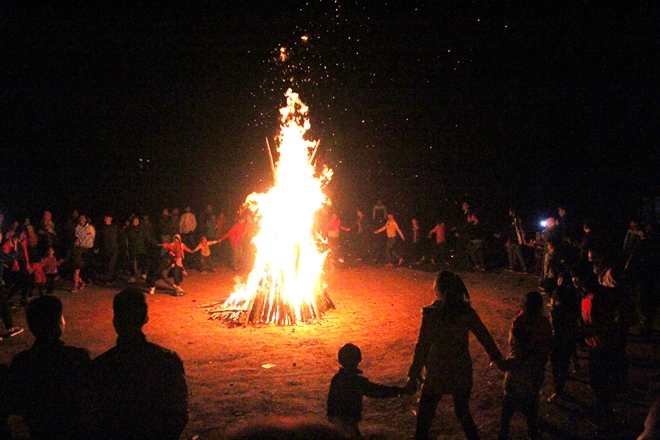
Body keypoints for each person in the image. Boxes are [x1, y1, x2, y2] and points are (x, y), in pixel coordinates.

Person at [405, 270, 503, 440]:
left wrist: (413, 374)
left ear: (438, 290)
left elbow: (422, 347)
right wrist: (497, 358)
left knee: (425, 414)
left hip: (437, 371)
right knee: (462, 411)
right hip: (461, 370)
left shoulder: (432, 314)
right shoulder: (466, 312)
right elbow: (484, 336)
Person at [91, 289, 188, 440]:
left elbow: (92, 419)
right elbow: (178, 413)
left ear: (115, 321)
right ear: (145, 318)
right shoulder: (167, 360)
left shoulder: (100, 366)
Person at [0, 296, 94, 439]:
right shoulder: (76, 357)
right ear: (59, 324)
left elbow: (13, 404)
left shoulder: (23, 362)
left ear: (32, 327)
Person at [497, 291, 552, 440]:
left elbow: (514, 345)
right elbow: (547, 343)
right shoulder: (544, 323)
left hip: (517, 369)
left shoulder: (518, 322)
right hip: (535, 369)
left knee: (509, 403)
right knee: (532, 401)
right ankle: (532, 431)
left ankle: (504, 432)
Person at [327, 343, 405, 438]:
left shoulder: (337, 378)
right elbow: (376, 391)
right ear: (359, 359)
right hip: (348, 424)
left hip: (337, 422)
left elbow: (330, 402)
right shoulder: (355, 381)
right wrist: (400, 391)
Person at [504, 208, 529, 273]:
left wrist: (521, 238)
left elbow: (519, 229)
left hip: (516, 239)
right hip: (513, 239)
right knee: (510, 250)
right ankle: (512, 267)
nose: (509, 213)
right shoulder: (512, 219)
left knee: (519, 253)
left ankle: (524, 268)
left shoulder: (516, 219)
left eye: (510, 211)